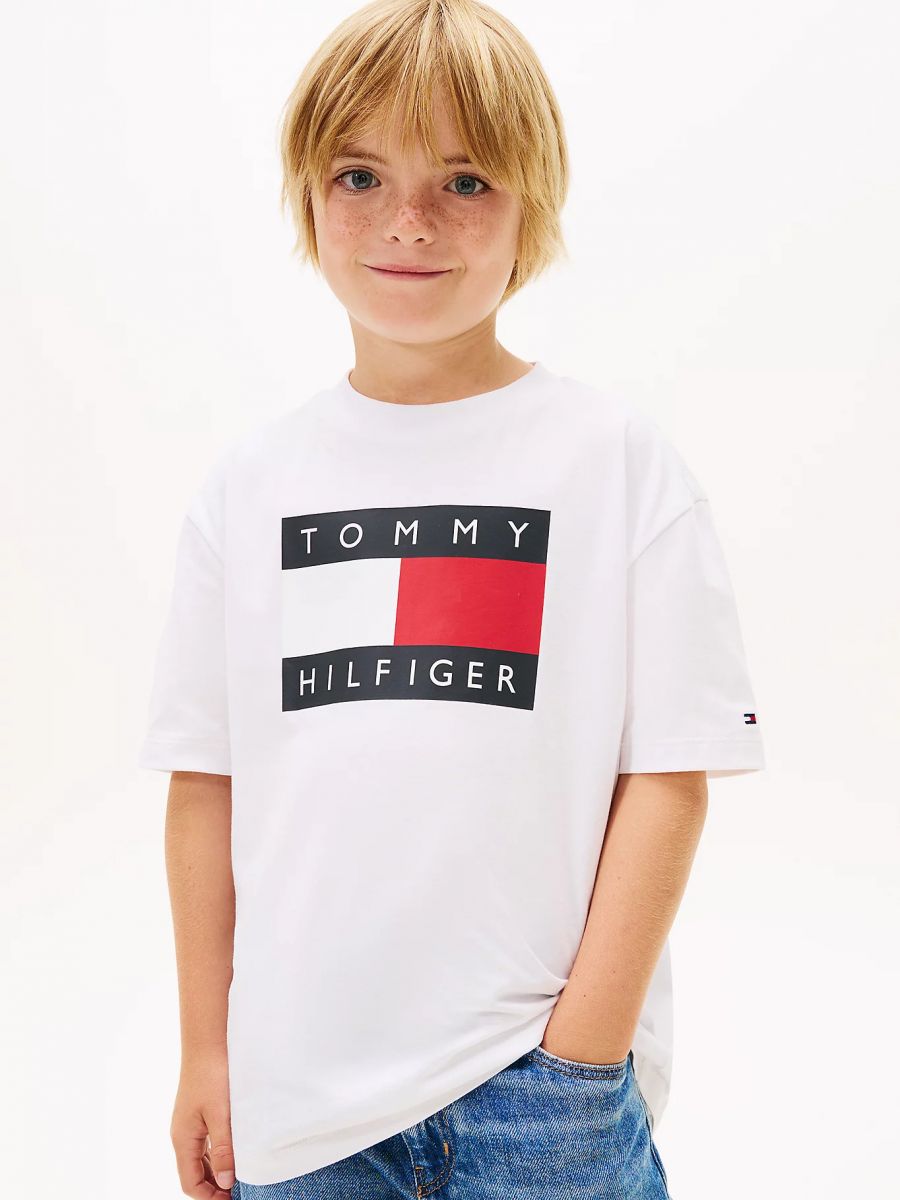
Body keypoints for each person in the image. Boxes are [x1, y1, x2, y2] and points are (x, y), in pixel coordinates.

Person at [138, 0, 765, 1196]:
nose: (408, 222)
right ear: (306, 196)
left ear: (534, 205)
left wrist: (581, 1053)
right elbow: (206, 782)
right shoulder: (248, 488)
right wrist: (207, 1049)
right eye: (361, 176)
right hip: (301, 1107)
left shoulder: (615, 464)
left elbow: (670, 777)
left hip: (540, 1094)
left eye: (466, 181)